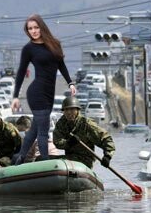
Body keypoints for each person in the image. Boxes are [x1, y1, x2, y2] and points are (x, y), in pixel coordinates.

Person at [11, 14, 76, 164]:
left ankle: (19, 159)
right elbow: (21, 71)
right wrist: (15, 96)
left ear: (42, 27)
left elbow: (61, 65)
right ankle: (45, 162)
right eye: (30, 29)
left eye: (35, 27)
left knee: (33, 131)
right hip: (36, 93)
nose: (33, 31)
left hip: (48, 93)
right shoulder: (28, 49)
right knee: (43, 131)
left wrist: (70, 83)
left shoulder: (55, 44)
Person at [53, 97, 115, 169]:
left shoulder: (86, 124)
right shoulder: (61, 124)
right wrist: (69, 143)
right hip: (69, 158)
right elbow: (57, 142)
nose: (69, 112)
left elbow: (106, 139)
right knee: (42, 159)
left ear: (77, 110)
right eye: (66, 110)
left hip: (84, 160)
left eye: (72, 109)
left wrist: (107, 156)